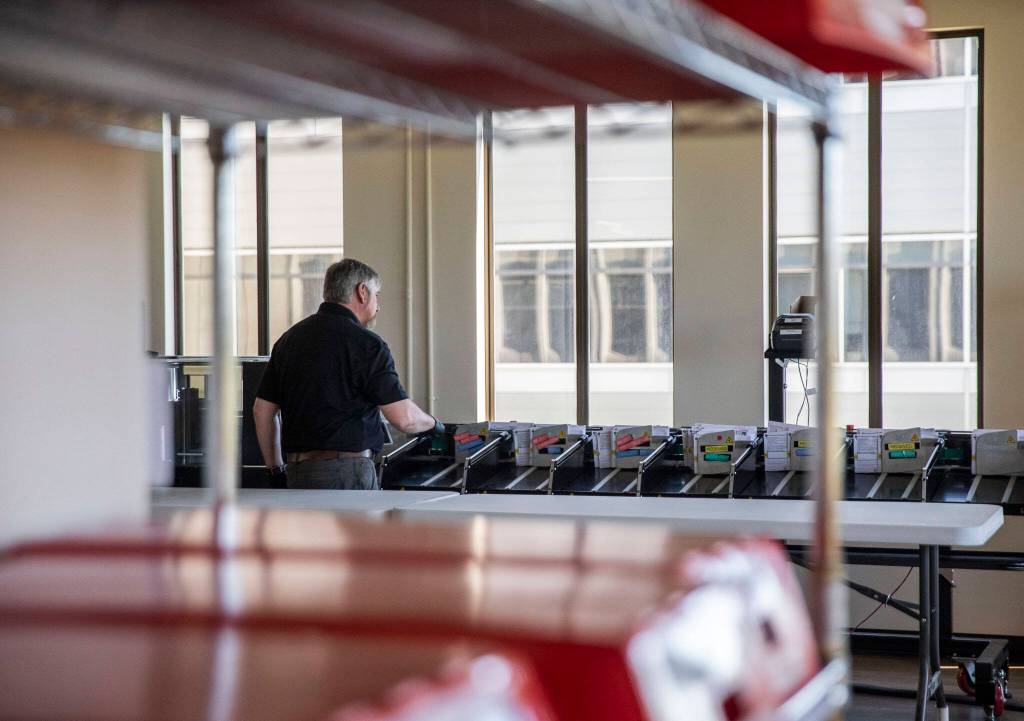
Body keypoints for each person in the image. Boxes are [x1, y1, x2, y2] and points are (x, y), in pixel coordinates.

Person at [253, 258, 444, 490]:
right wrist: (435, 426)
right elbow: (404, 418)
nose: (378, 305)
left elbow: (262, 411)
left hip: (297, 473)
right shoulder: (367, 344)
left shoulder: (289, 340)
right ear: (362, 291)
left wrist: (275, 469)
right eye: (377, 295)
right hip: (347, 473)